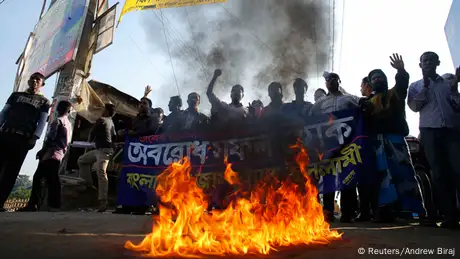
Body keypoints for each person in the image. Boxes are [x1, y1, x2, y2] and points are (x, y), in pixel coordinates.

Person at [362, 53, 425, 223]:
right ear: (370, 83)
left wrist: (401, 70)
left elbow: (402, 84)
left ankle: (412, 210)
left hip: (396, 140)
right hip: (377, 144)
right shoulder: (367, 103)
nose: (378, 79)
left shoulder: (394, 93)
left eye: (380, 77)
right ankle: (385, 210)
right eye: (374, 78)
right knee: (382, 176)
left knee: (403, 173)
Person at [407, 51, 460, 229]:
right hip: (429, 132)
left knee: (457, 170)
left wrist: (454, 89)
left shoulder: (448, 84)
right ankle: (449, 216)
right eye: (424, 61)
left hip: (451, 131)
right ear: (420, 65)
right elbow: (414, 106)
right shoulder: (415, 86)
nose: (428, 63)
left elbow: (457, 106)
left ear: (438, 62)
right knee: (438, 174)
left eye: (431, 60)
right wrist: (426, 85)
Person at [310, 71, 360, 223]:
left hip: (347, 143)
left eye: (334, 79)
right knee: (328, 177)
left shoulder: (349, 98)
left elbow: (363, 104)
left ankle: (347, 212)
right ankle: (328, 211)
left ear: (339, 81)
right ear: (325, 84)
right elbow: (310, 116)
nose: (331, 82)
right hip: (328, 145)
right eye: (328, 80)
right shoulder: (320, 103)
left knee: (348, 176)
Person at [0, 72, 50, 212]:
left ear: (42, 84)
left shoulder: (44, 102)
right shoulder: (16, 95)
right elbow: (4, 112)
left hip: (23, 139)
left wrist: (35, 137)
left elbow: (42, 122)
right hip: (5, 133)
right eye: (32, 79)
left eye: (38, 79)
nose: (34, 81)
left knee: (11, 171)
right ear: (28, 81)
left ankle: (0, 201)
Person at [18, 100, 72, 212]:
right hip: (59, 153)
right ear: (69, 110)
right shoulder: (68, 123)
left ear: (57, 109)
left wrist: (42, 151)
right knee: (51, 179)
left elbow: (51, 138)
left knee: (41, 178)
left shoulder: (57, 121)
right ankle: (50, 204)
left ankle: (36, 204)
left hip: (50, 153)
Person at [78, 103, 117, 212]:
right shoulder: (111, 122)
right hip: (101, 150)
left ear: (107, 111)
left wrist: (91, 139)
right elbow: (114, 137)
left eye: (104, 109)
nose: (102, 110)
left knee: (101, 173)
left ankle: (103, 201)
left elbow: (92, 133)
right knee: (82, 160)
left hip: (103, 151)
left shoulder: (102, 120)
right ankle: (88, 184)